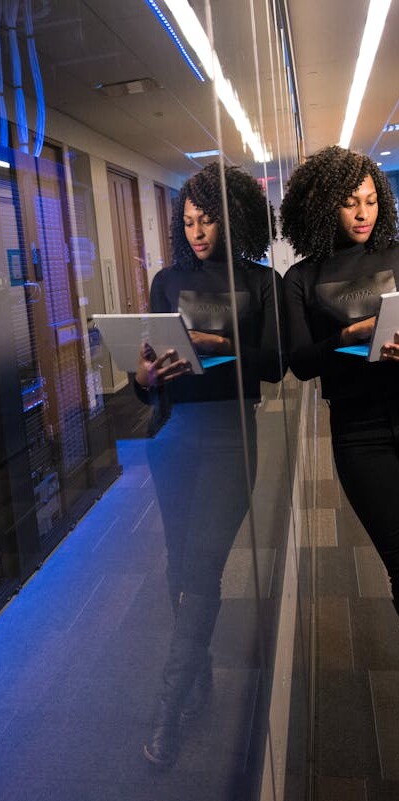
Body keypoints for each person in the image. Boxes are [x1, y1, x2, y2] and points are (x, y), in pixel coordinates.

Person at [134, 162, 284, 767]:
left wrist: (221, 346)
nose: (198, 231)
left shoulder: (259, 281)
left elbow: (275, 365)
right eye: (189, 221)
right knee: (180, 569)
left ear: (232, 217)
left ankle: (168, 709)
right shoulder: (166, 281)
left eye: (208, 219)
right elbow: (146, 383)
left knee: (200, 571)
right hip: (174, 437)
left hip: (230, 439)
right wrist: (144, 377)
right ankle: (199, 676)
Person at [281, 145, 399, 615]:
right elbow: (302, 362)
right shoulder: (302, 278)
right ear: (324, 204)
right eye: (349, 202)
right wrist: (349, 335)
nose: (362, 213)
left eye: (370, 200)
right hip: (359, 432)